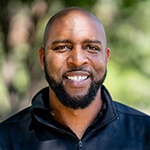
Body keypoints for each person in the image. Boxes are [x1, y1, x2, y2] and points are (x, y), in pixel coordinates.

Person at [0, 7, 150, 150]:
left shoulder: (144, 133)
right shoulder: (5, 139)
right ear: (42, 58)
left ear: (106, 58)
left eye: (92, 47)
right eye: (62, 47)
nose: (77, 60)